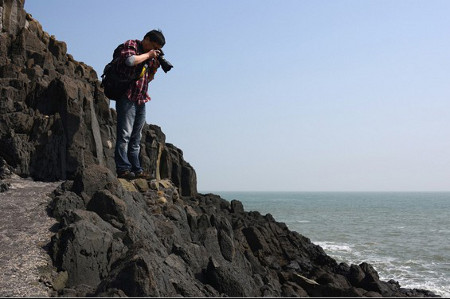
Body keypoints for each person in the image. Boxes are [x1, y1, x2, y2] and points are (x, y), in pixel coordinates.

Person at [114, 29, 165, 180]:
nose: (153, 50)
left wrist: (154, 69)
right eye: (153, 46)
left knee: (136, 137)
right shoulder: (132, 45)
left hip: (141, 99)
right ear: (146, 39)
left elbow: (146, 79)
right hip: (126, 97)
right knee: (125, 134)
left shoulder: (148, 56)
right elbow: (130, 61)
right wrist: (148, 55)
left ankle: (136, 169)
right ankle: (123, 168)